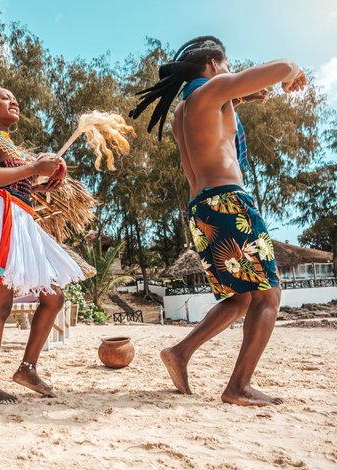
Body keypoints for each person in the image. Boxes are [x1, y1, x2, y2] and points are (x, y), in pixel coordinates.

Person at [129, 36, 307, 406]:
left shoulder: (185, 110)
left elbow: (213, 124)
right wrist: (293, 72)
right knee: (269, 294)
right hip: (229, 202)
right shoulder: (212, 89)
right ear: (212, 65)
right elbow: (284, 67)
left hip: (202, 210)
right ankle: (238, 387)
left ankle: (179, 353)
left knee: (240, 298)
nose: (230, 72)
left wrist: (241, 98)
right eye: (228, 65)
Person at [0, 88, 83, 404]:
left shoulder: (11, 145)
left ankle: (27, 368)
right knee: (0, 305)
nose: (15, 101)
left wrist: (43, 181)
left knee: (54, 297)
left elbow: (17, 183)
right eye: (5, 97)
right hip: (0, 220)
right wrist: (31, 169)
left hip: (20, 221)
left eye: (16, 98)